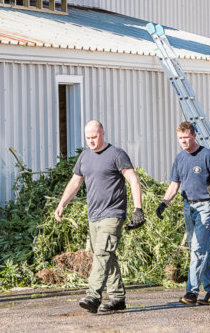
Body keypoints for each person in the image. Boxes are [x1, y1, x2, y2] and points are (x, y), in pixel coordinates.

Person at [54, 120, 145, 313]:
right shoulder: (85, 156)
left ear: (102, 134)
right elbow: (75, 182)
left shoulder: (116, 154)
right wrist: (62, 203)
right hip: (93, 215)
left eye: (94, 137)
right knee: (104, 254)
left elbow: (133, 179)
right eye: (88, 138)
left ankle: (93, 296)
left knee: (102, 254)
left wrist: (138, 208)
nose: (91, 141)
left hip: (113, 213)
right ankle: (118, 298)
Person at [156, 121, 210, 306]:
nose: (183, 141)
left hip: (205, 206)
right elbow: (174, 184)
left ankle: (191, 292)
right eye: (180, 138)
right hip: (188, 207)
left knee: (197, 250)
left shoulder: (208, 155)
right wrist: (164, 202)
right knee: (202, 250)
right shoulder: (180, 158)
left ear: (194, 135)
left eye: (186, 137)